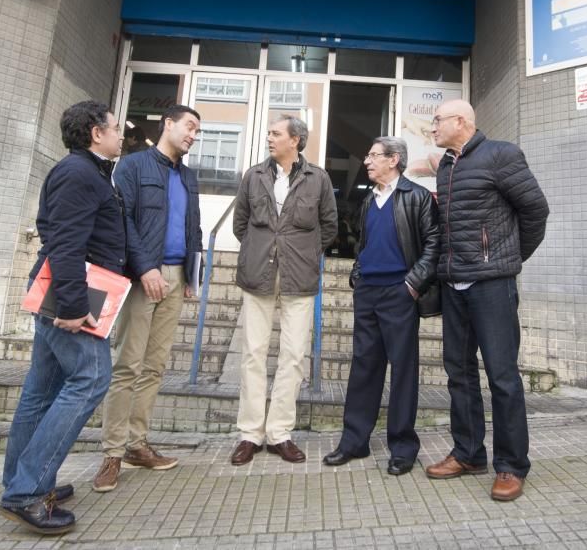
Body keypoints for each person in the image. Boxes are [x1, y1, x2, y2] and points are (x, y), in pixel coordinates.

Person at [0, 101, 125, 534]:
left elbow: (57, 232)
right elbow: (66, 242)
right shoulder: (79, 173)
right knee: (92, 379)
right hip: (70, 296)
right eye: (115, 127)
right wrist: (74, 308)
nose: (121, 133)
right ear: (96, 132)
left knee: (41, 391)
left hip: (59, 290)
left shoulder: (84, 172)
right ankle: (29, 490)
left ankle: (22, 481)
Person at [424, 99, 549, 502]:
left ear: (461, 121)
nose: (433, 127)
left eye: (437, 120)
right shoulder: (446, 166)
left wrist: (505, 259)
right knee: (459, 374)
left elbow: (535, 211)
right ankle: (468, 453)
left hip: (492, 285)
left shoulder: (501, 155)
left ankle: (511, 466)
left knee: (502, 377)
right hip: (454, 283)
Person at [92, 105, 203, 492]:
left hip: (175, 277)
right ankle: (112, 453)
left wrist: (194, 275)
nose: (193, 135)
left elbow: (195, 227)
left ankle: (138, 444)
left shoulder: (189, 176)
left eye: (197, 131)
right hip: (144, 277)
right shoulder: (134, 165)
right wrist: (145, 268)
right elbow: (124, 221)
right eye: (189, 127)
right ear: (168, 125)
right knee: (127, 365)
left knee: (154, 366)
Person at [322, 136, 439, 476]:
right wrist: (358, 274)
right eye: (369, 155)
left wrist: (412, 284)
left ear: (394, 160)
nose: (368, 161)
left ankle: (403, 448)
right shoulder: (367, 201)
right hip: (368, 292)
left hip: (400, 293)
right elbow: (364, 244)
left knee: (403, 371)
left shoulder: (416, 198)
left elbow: (433, 245)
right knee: (364, 367)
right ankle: (353, 442)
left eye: (374, 156)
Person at [229, 114, 338, 465]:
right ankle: (250, 433)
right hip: (258, 273)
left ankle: (279, 433)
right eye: (269, 133)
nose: (269, 138)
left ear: (296, 140)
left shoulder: (317, 179)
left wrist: (301, 253)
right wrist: (260, 250)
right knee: (253, 355)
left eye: (276, 133)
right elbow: (240, 224)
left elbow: (329, 227)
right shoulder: (254, 175)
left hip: (299, 278)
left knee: (293, 356)